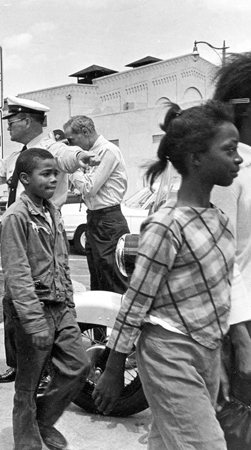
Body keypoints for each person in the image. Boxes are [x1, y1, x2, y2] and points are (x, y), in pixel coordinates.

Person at [94, 101, 243, 450]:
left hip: (203, 352)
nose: (239, 159)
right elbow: (137, 298)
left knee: (166, 442)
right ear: (195, 158)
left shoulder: (218, 219)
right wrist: (114, 366)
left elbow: (219, 294)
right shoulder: (167, 223)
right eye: (229, 150)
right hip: (168, 352)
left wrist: (215, 360)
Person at [0, 96, 94, 384]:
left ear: (26, 121)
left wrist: (80, 158)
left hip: (43, 231)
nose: (8, 127)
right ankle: (18, 363)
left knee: (41, 295)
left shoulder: (52, 148)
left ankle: (42, 368)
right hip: (19, 226)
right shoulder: (15, 157)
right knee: (14, 296)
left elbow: (68, 156)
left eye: (11, 121)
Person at [0, 148, 88, 450]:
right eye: (46, 174)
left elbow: (61, 261)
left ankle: (43, 420)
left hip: (59, 305)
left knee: (78, 366)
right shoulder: (16, 217)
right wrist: (34, 322)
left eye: (56, 173)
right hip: (31, 309)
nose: (53, 178)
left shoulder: (53, 211)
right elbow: (17, 273)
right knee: (28, 383)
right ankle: (27, 443)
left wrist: (70, 306)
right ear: (25, 179)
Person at [211, 51, 251, 449]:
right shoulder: (229, 168)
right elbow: (219, 257)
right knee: (238, 419)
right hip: (238, 319)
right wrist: (239, 334)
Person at [64, 115, 130, 293]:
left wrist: (72, 169)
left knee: (113, 277)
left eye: (71, 140)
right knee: (97, 277)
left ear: (85, 132)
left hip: (109, 219)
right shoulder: (89, 154)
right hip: (94, 218)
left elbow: (89, 188)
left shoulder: (109, 151)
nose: (70, 145)